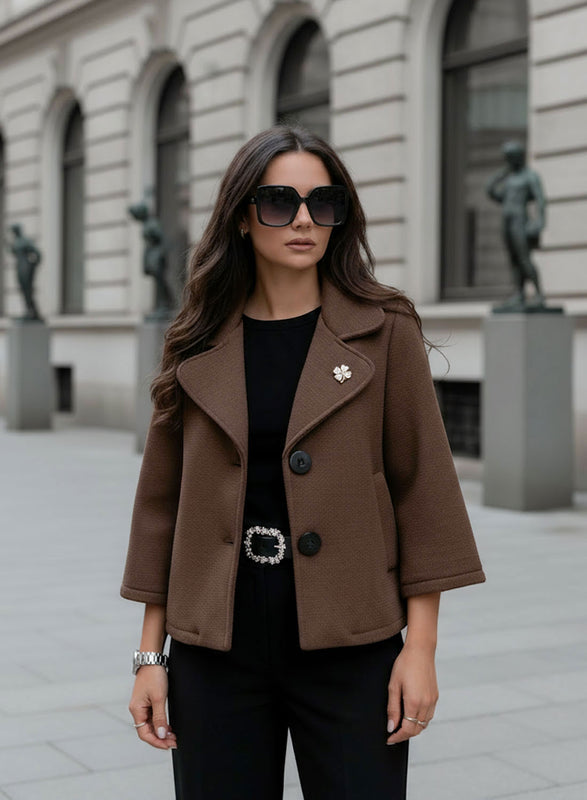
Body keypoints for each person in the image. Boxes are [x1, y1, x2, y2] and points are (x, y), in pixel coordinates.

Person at [120, 124, 486, 800]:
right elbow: (161, 506)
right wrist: (150, 657)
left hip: (351, 641)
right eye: (279, 201)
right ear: (240, 215)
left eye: (324, 204)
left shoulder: (384, 329)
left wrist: (420, 649)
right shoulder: (195, 341)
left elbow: (422, 491)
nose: (303, 220)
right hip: (215, 646)